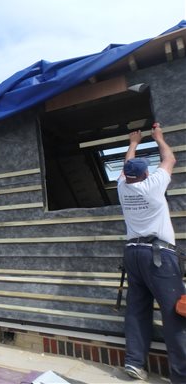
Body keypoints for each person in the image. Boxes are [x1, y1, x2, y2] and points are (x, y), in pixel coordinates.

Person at [117, 123, 186, 383]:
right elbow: (170, 159)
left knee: (136, 309)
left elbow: (127, 166)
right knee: (175, 314)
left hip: (132, 254)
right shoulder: (154, 186)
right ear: (147, 174)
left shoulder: (123, 189)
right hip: (158, 256)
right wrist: (159, 138)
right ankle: (181, 376)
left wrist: (133, 143)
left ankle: (134, 362)